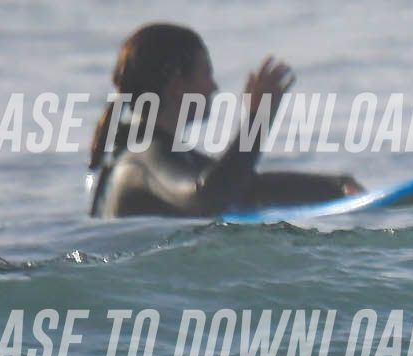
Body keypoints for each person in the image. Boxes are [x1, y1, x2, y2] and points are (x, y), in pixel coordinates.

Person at [86, 23, 360, 218]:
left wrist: (336, 187)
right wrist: (259, 117)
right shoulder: (143, 158)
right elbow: (208, 198)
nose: (214, 87)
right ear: (177, 85)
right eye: (206, 73)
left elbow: (244, 187)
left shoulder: (161, 154)